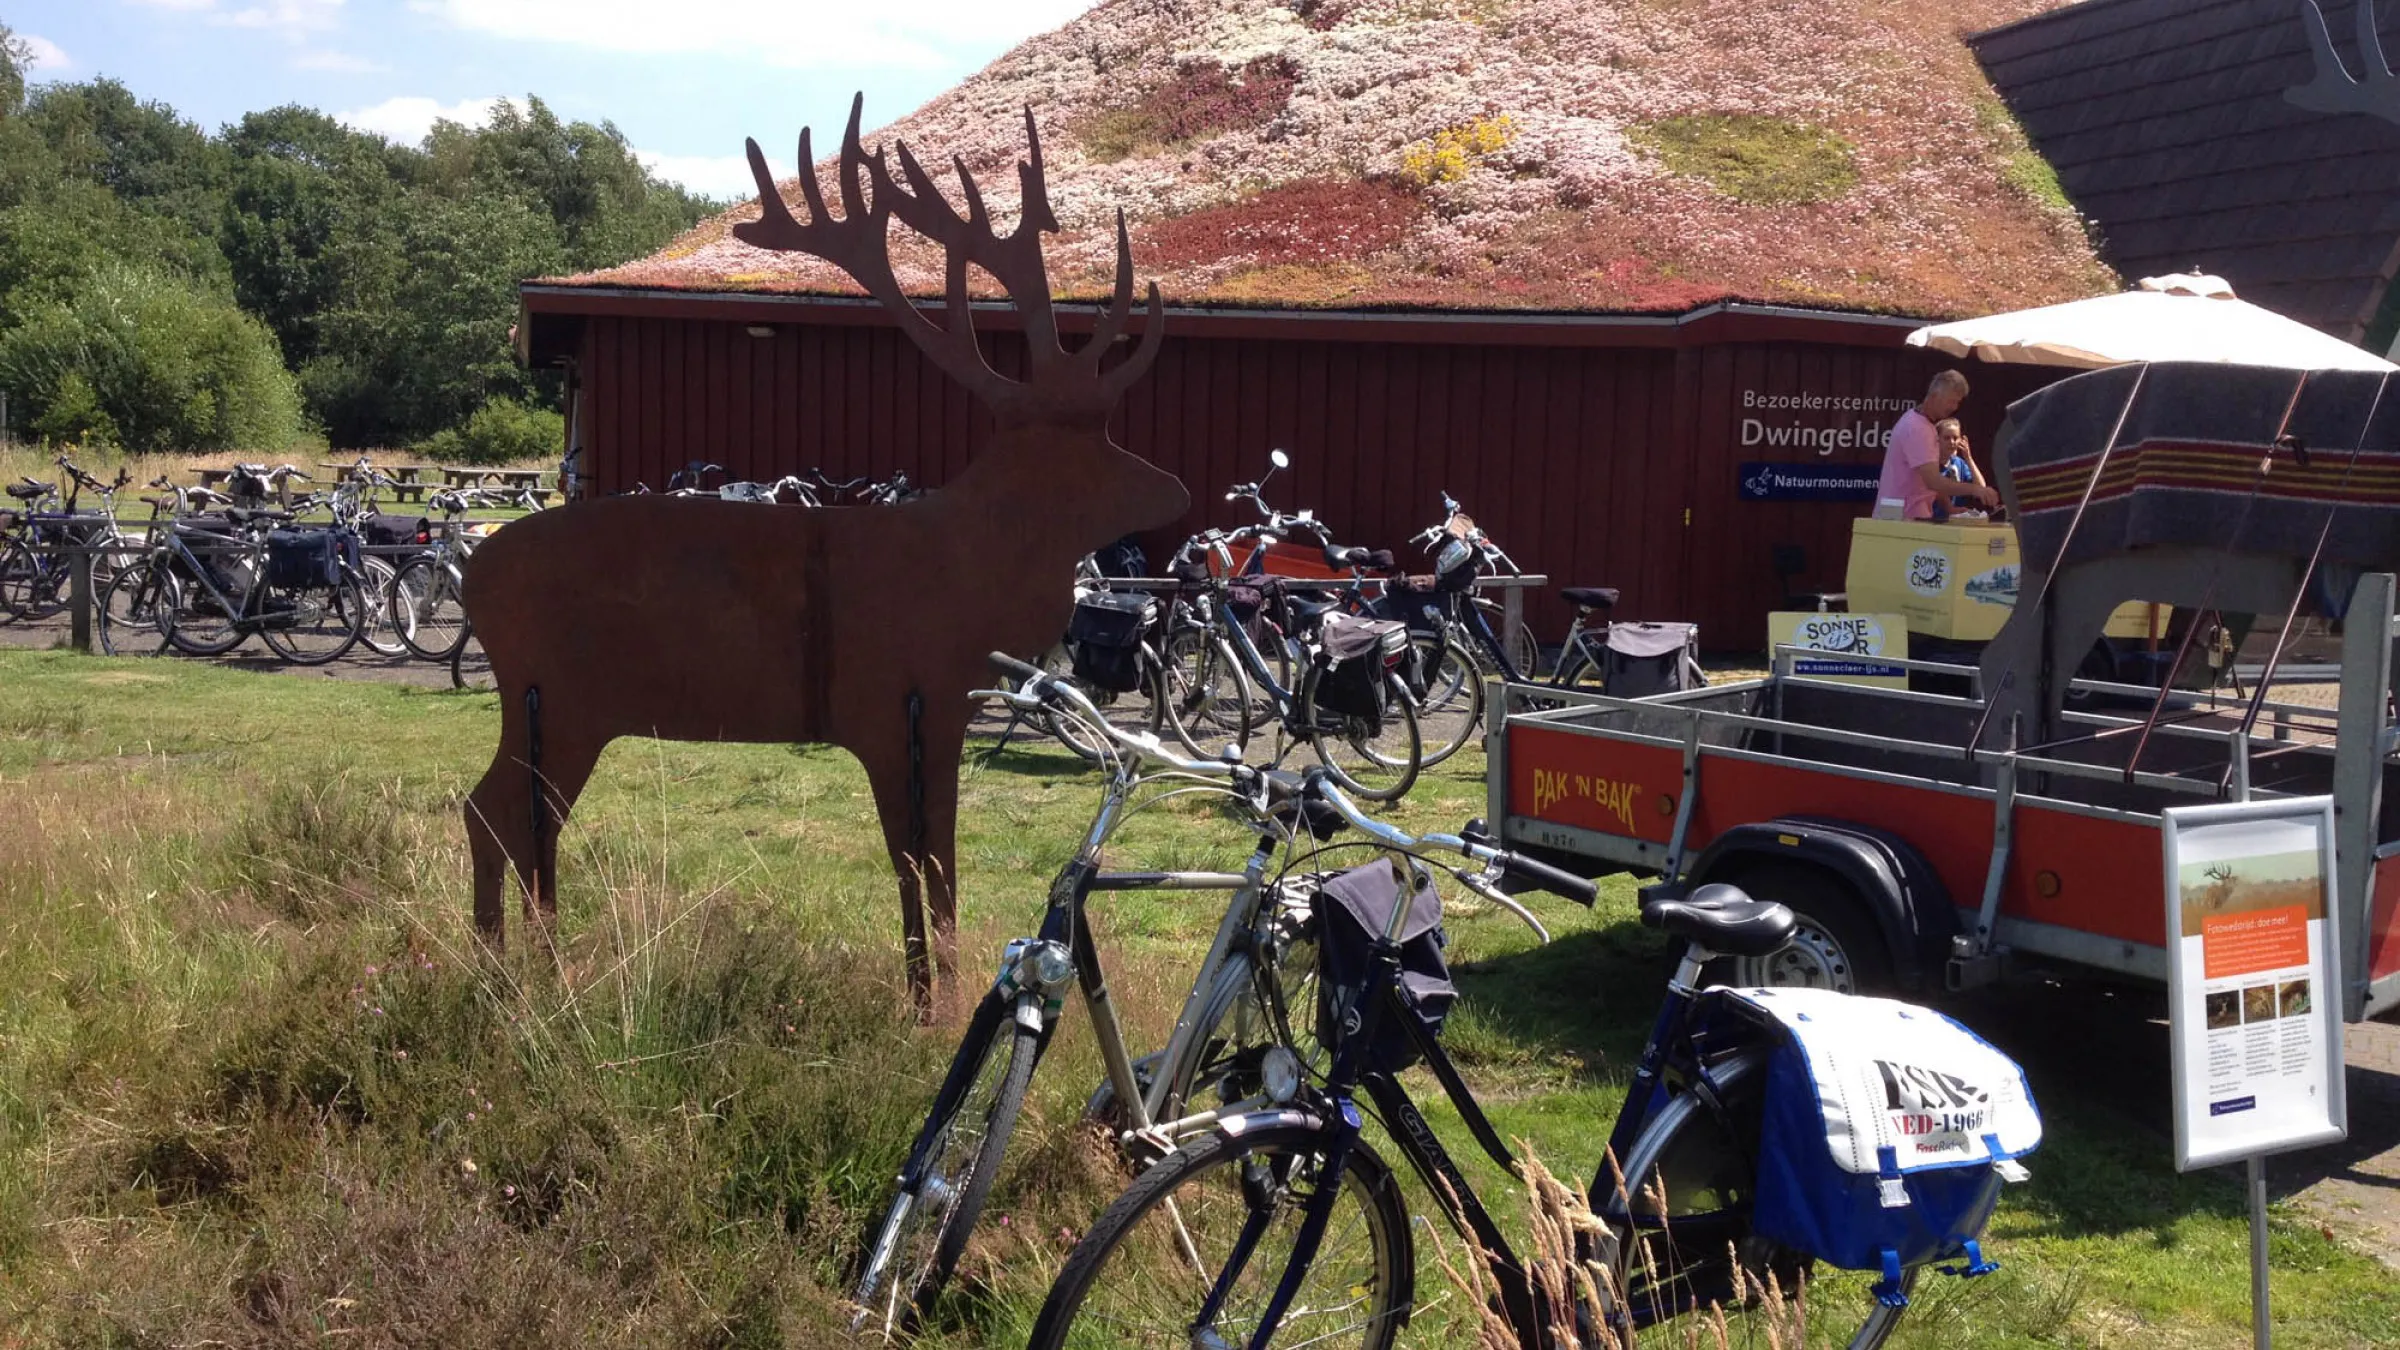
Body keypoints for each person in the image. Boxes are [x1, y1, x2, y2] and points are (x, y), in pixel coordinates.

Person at [1877, 370, 1997, 520]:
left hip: (1906, 517)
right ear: (1934, 396)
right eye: (1952, 401)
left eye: (1958, 402)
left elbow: (1927, 480)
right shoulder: (1917, 428)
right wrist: (1976, 490)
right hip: (1902, 520)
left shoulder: (1920, 422)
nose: (1955, 407)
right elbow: (1933, 481)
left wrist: (1948, 507)